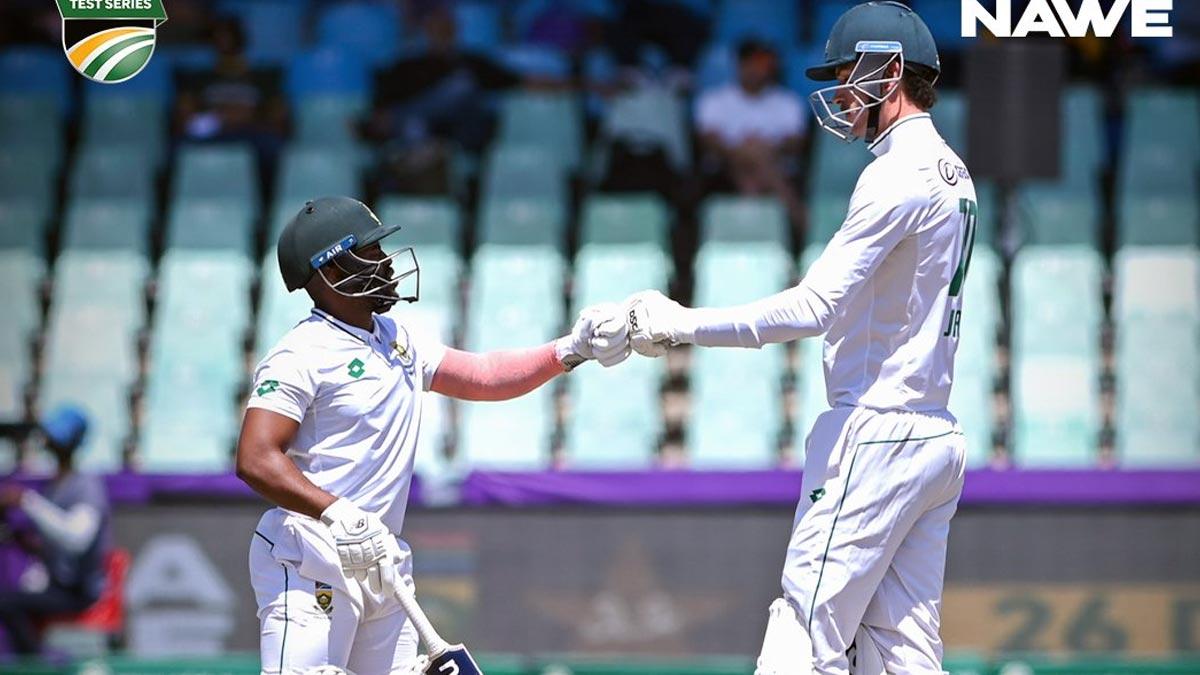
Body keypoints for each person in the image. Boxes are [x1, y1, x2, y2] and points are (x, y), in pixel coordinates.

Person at [612, 3, 973, 672]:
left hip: (877, 432)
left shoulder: (896, 171)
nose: (838, 90)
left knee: (802, 635)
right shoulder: (953, 170)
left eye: (845, 73)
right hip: (933, 435)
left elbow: (812, 307)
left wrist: (678, 322)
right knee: (905, 650)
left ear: (888, 71)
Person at [236, 196, 627, 674]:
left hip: (381, 562)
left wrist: (571, 348)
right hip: (308, 558)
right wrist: (336, 513)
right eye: (369, 252)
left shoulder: (396, 336)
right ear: (331, 272)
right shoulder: (299, 353)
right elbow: (255, 457)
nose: (384, 261)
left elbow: (484, 375)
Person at [0, 406, 111, 656]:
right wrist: (25, 543)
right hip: (56, 586)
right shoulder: (56, 486)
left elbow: (76, 539)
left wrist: (26, 501)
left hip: (79, 592)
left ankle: (36, 666)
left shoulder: (87, 486)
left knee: (5, 602)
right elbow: (56, 547)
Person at [695, 39, 806, 226]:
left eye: (763, 63)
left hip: (776, 165)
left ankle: (750, 231)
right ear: (740, 64)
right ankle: (798, 219)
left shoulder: (788, 102)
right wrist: (746, 151)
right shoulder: (713, 100)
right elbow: (708, 141)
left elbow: (796, 142)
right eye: (752, 62)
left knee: (753, 170)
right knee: (752, 158)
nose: (757, 69)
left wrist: (765, 150)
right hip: (724, 171)